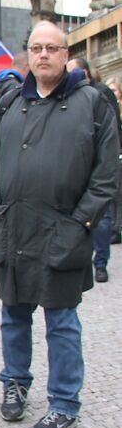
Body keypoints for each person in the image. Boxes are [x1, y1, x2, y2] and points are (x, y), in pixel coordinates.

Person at [0, 26, 118, 428]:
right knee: (14, 314)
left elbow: (107, 175)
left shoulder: (92, 103)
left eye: (51, 48)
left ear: (65, 53)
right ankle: (15, 382)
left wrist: (80, 224)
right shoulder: (8, 103)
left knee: (61, 320)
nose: (43, 55)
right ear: (29, 55)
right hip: (13, 228)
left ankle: (64, 403)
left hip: (65, 231)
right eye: (36, 48)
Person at [67, 55, 119, 282]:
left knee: (103, 215)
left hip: (98, 161)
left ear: (85, 73)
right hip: (75, 162)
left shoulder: (101, 94)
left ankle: (100, 263)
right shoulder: (66, 94)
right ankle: (81, 257)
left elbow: (112, 128)